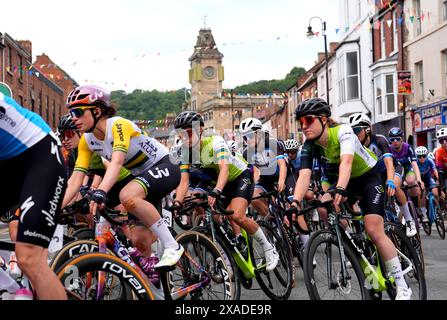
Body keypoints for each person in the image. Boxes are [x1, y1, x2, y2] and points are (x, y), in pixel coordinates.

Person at [291, 98, 412, 300]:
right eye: (300, 122)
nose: (304, 126)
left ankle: (402, 285)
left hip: (370, 176)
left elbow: (346, 162)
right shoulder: (310, 145)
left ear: (323, 119)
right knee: (324, 207)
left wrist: (339, 188)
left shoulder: (343, 131)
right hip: (345, 180)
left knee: (373, 229)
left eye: (308, 120)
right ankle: (358, 248)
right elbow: (304, 175)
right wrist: (294, 203)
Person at [61, 85, 183, 269]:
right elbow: (76, 179)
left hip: (166, 165)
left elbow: (116, 163)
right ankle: (156, 287)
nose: (74, 118)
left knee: (126, 196)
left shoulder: (118, 125)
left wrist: (101, 191)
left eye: (78, 112)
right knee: (138, 241)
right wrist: (55, 208)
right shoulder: (87, 140)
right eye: (71, 114)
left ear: (96, 111)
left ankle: (173, 246)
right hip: (142, 177)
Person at [172, 111, 279, 271]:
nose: (184, 138)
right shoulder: (186, 152)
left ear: (200, 129)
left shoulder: (215, 142)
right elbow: (184, 182)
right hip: (215, 181)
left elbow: (224, 170)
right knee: (204, 208)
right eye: (181, 134)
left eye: (188, 133)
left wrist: (216, 191)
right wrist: (177, 203)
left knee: (237, 215)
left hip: (238, 177)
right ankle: (228, 243)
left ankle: (269, 248)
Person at [0, 92, 67, 299]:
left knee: (29, 257)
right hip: (8, 166)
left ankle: (14, 290)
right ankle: (11, 289)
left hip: (40, 156)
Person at [348, 113, 416, 237]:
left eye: (357, 130)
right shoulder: (353, 146)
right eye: (352, 131)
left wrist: (390, 180)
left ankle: (409, 219)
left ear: (367, 129)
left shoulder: (379, 140)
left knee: (394, 185)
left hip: (393, 168)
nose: (355, 134)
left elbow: (389, 162)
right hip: (375, 176)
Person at [388, 127, 425, 223]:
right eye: (392, 139)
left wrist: (419, 180)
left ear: (402, 139)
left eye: (398, 139)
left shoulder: (408, 147)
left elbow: (414, 164)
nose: (395, 141)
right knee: (396, 186)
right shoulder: (388, 149)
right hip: (397, 172)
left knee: (411, 181)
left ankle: (416, 206)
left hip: (408, 170)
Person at [415, 146, 439, 222]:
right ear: (417, 156)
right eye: (419, 156)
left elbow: (435, 170)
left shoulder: (429, 160)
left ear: (426, 155)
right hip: (419, 178)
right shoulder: (415, 162)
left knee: (435, 192)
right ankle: (424, 213)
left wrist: (438, 179)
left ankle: (437, 209)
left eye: (423, 156)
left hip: (428, 178)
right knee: (422, 192)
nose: (422, 158)